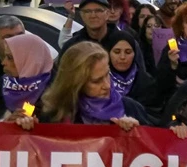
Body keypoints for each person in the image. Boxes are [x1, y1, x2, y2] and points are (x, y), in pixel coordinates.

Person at [14, 42, 154, 130]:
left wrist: (137, 132)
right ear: (75, 84)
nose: (107, 85)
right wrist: (26, 128)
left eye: (107, 75)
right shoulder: (52, 114)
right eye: (96, 81)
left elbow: (155, 150)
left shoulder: (131, 108)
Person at [0, 33, 55, 122]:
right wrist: (5, 121)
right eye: (5, 57)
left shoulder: (55, 89)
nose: (3, 62)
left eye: (10, 58)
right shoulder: (3, 83)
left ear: (29, 60)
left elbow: (55, 123)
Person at [104, 30, 157, 112]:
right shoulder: (100, 80)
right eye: (117, 52)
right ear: (108, 53)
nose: (122, 57)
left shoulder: (146, 82)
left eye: (128, 52)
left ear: (135, 54)